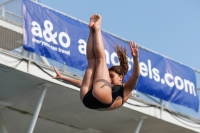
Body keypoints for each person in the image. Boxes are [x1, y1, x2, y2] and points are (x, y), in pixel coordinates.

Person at [53, 14, 140, 111]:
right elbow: (80, 83)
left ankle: (97, 29)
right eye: (108, 76)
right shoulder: (108, 87)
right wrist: (63, 78)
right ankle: (91, 30)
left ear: (121, 77)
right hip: (87, 99)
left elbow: (136, 74)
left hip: (93, 98)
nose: (108, 79)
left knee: (99, 60)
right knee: (92, 61)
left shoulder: (127, 89)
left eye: (111, 76)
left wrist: (135, 58)